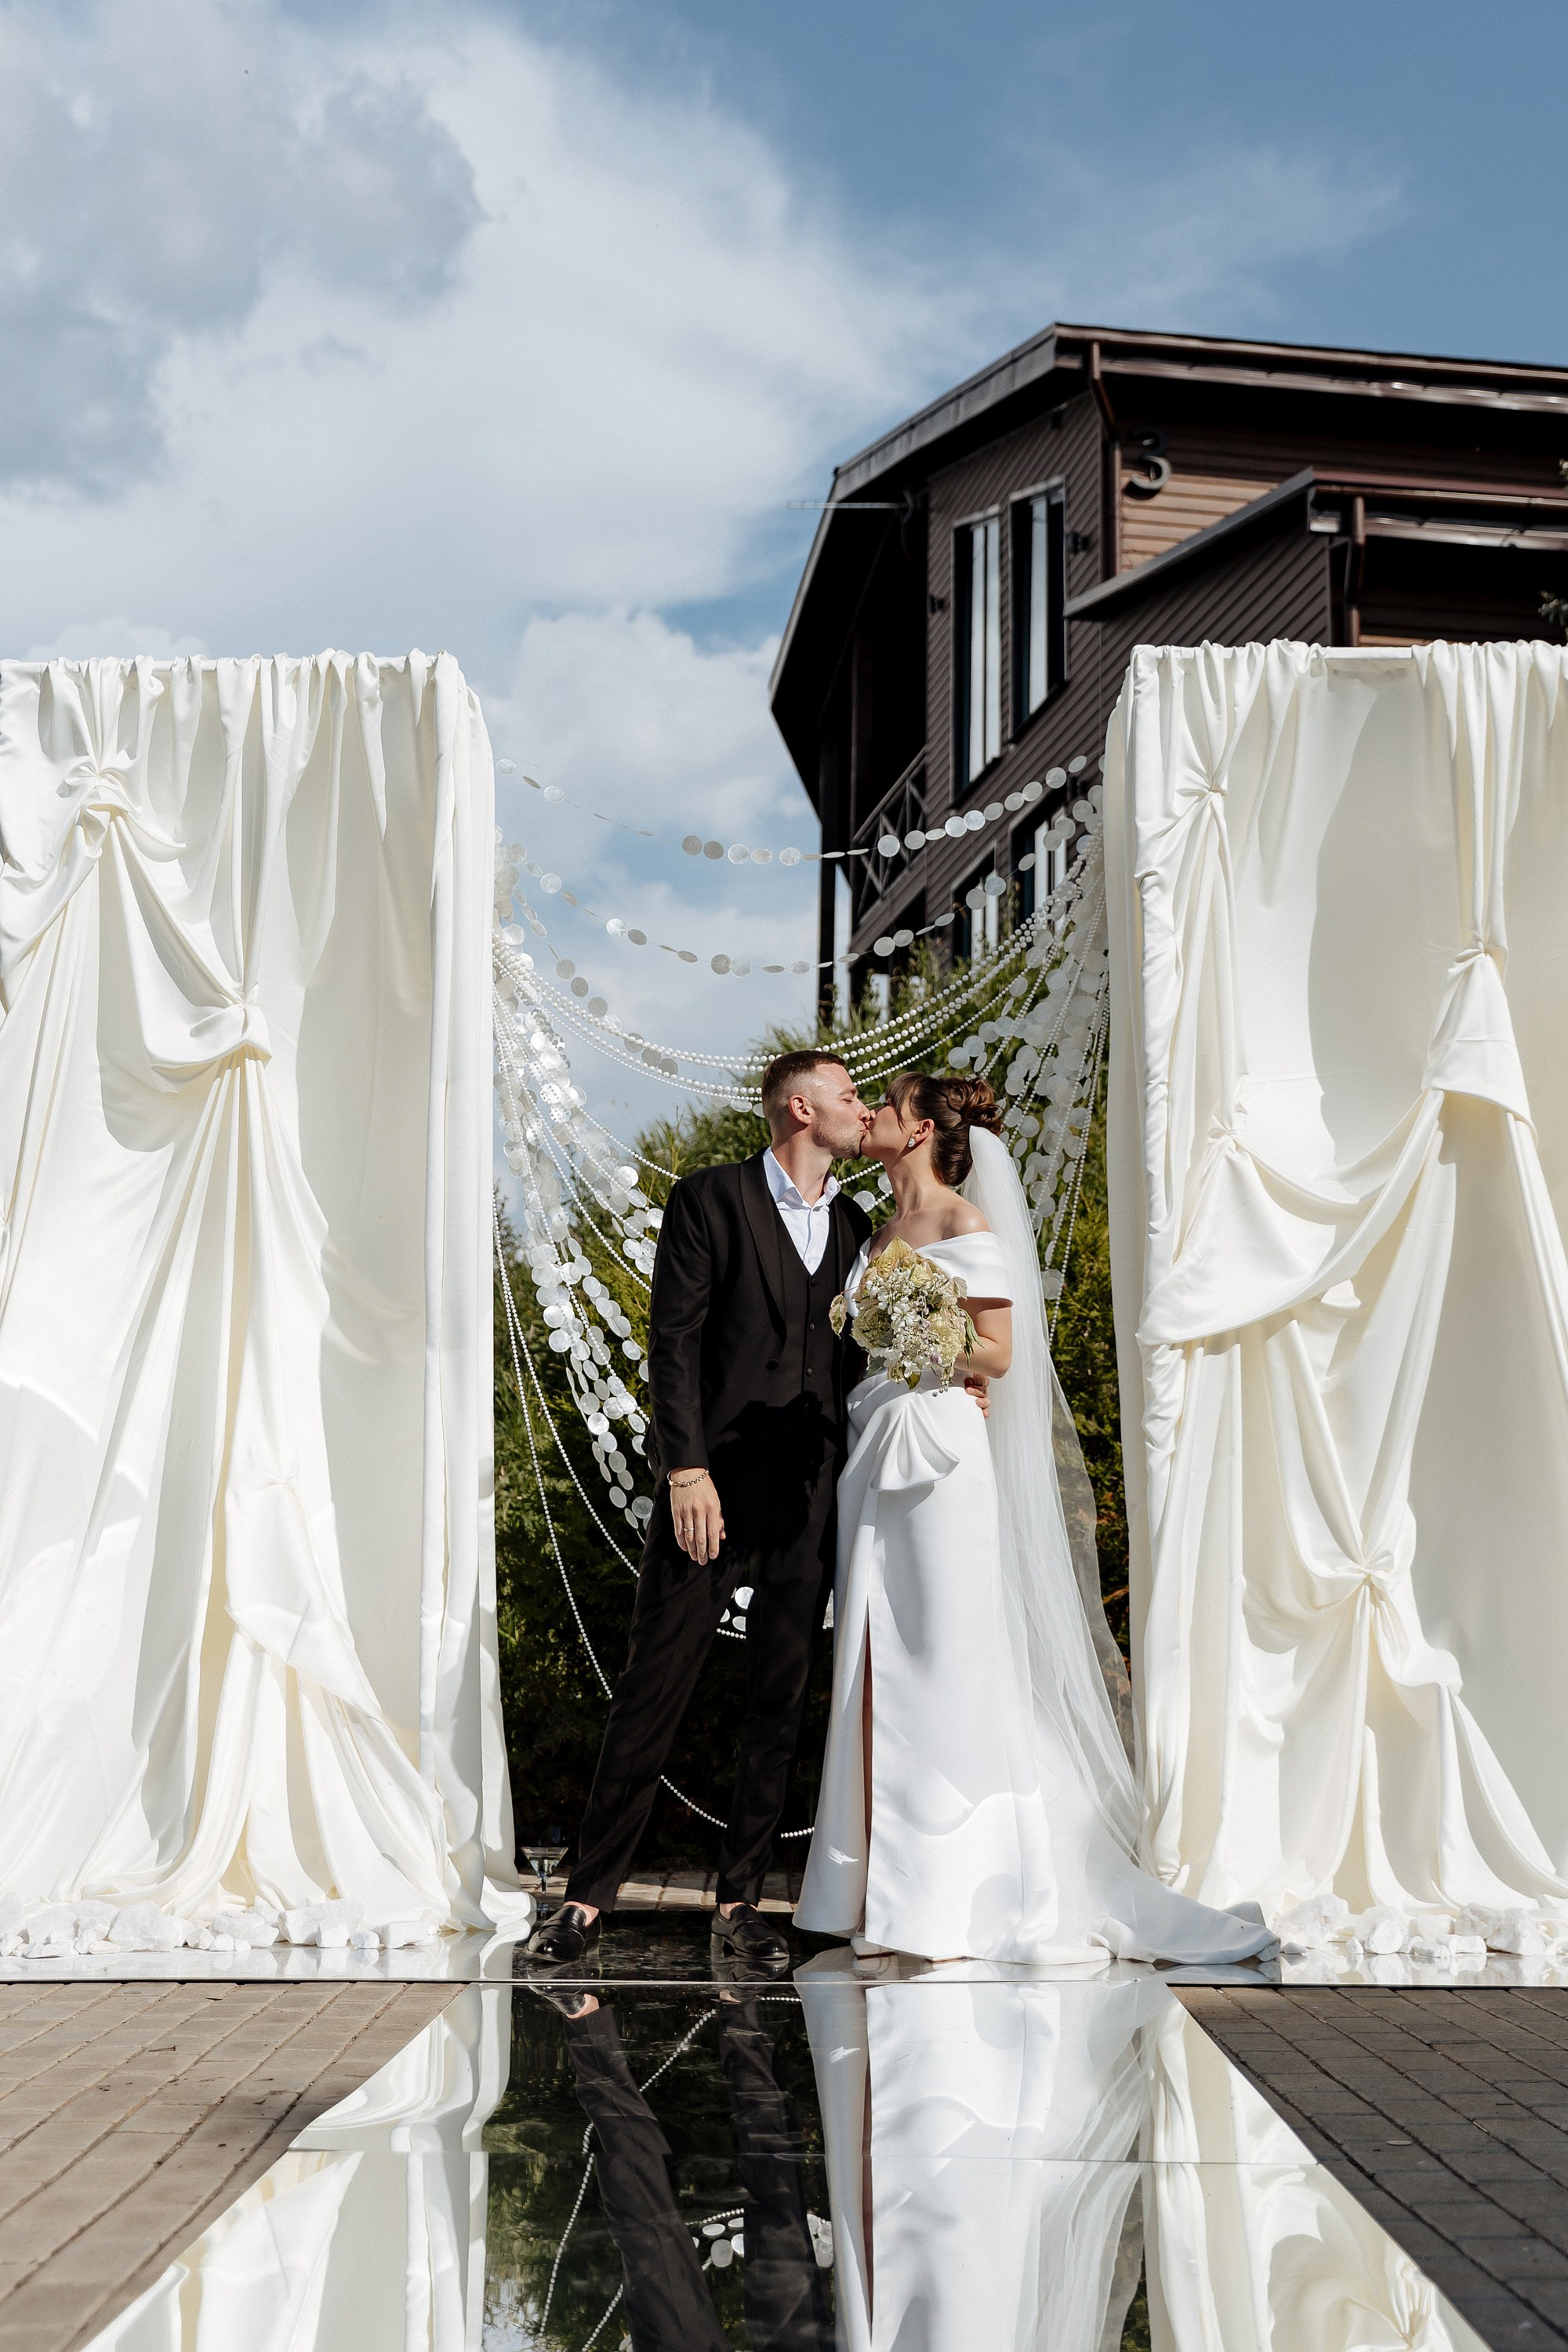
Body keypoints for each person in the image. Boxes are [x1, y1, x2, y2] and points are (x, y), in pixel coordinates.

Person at [793, 1070, 1274, 1966]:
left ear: (921, 1129)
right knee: (872, 1655)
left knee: (944, 1659)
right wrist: (891, 1336)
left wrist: (925, 1336)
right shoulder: (875, 1233)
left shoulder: (962, 1225)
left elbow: (999, 1353)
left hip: (939, 1452)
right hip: (875, 1446)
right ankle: (881, 1895)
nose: (873, 1115)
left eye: (887, 1106)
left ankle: (952, 1896)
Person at [522, 1051, 875, 1971]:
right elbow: (672, 1340)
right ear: (798, 1109)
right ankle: (585, 1900)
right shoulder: (708, 1198)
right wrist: (684, 1470)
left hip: (809, 1498)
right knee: (654, 1686)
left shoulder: (856, 1225)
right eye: (846, 1095)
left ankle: (740, 1902)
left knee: (780, 1699)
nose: (862, 1108)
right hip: (708, 1488)